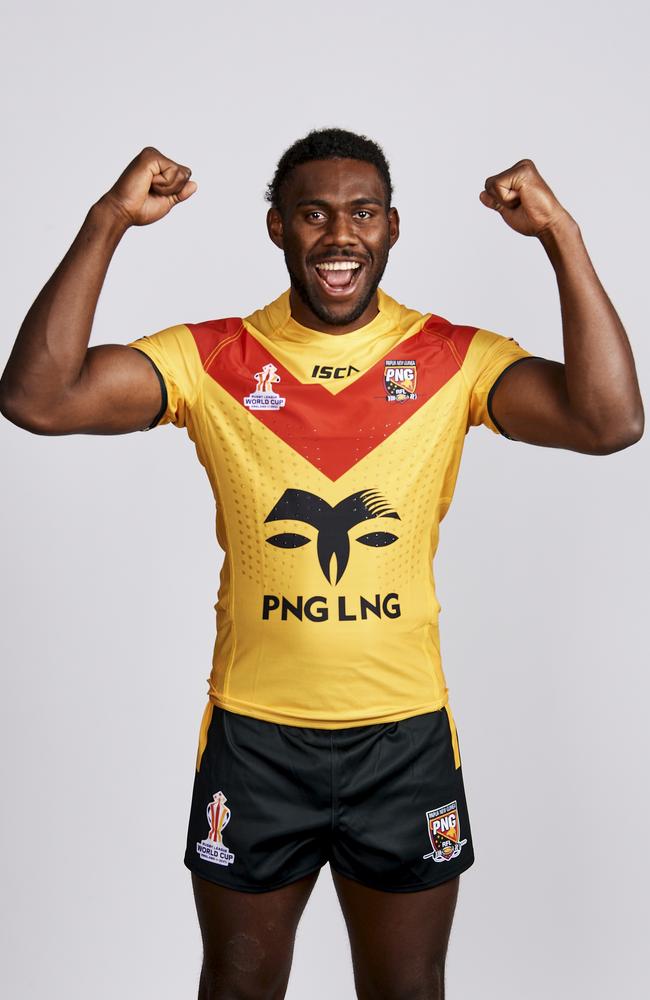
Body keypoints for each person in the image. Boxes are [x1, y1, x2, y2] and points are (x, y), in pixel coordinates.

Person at [0, 128, 643, 1000]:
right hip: (256, 739)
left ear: (393, 228)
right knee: (236, 990)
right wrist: (109, 219)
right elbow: (36, 399)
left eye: (363, 213)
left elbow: (610, 423)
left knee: (408, 992)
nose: (341, 235)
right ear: (277, 229)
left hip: (403, 738)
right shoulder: (211, 358)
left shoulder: (452, 359)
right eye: (315, 214)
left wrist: (561, 234)